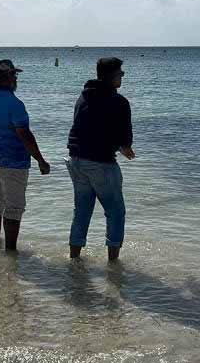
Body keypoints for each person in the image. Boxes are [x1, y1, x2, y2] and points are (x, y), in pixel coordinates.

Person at [0, 59, 51, 251]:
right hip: (13, 161)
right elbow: (24, 134)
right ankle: (10, 252)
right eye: (14, 75)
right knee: (14, 207)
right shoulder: (15, 104)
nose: (16, 79)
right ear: (7, 78)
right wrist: (40, 160)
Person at [65, 57, 135, 261]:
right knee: (115, 213)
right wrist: (124, 149)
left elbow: (83, 128)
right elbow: (125, 140)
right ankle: (113, 262)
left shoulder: (83, 97)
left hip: (76, 160)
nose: (122, 77)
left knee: (82, 212)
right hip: (101, 162)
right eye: (121, 73)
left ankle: (74, 259)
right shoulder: (118, 101)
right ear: (112, 76)